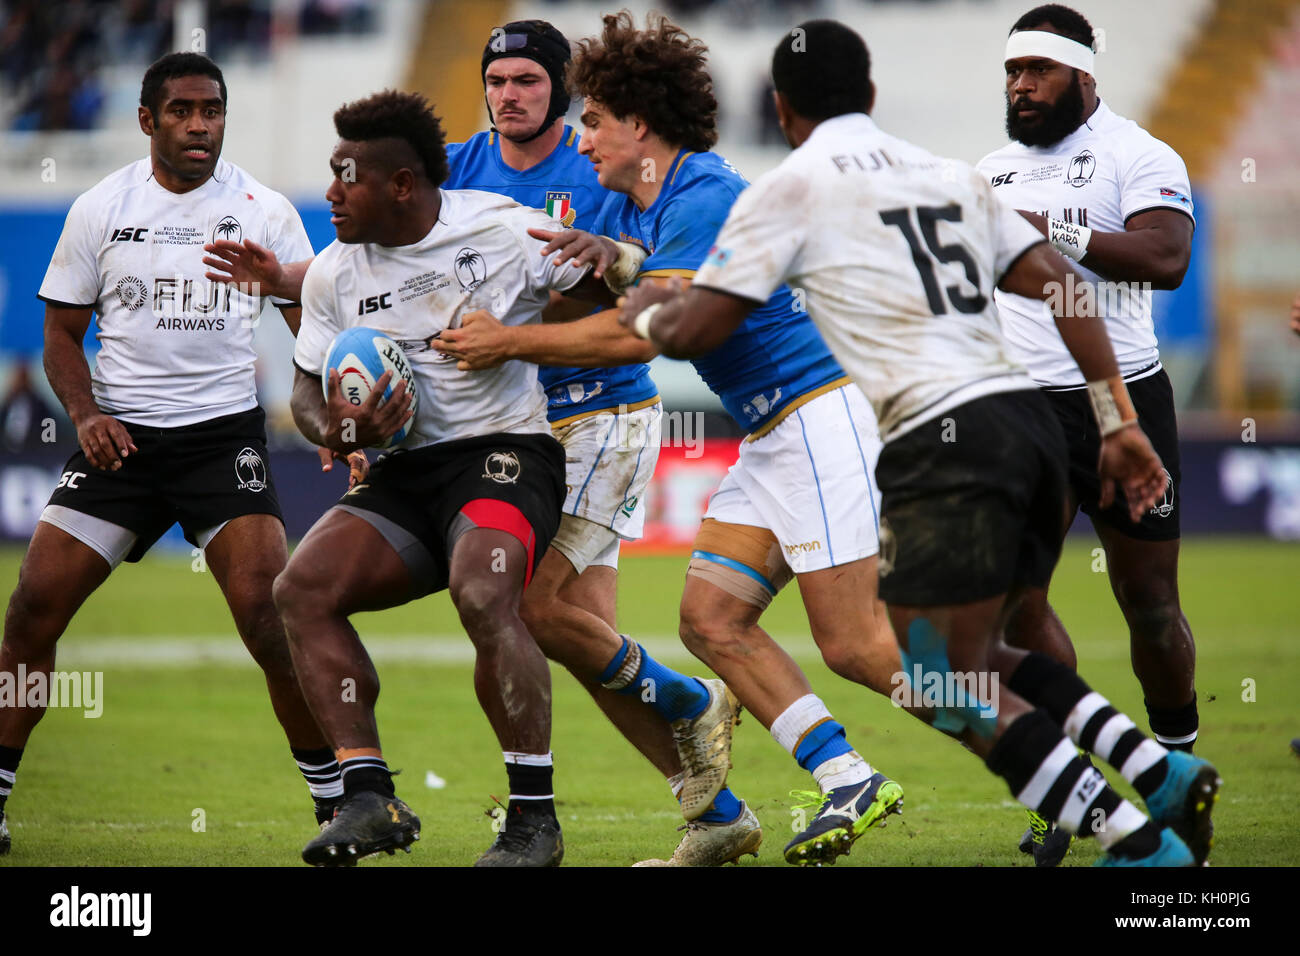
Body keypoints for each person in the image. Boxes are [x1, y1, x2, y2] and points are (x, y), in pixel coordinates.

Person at [617, 17, 1222, 866]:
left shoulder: (785, 191)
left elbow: (693, 328)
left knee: (936, 670)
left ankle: (1137, 840)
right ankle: (1152, 769)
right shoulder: (949, 174)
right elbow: (1066, 288)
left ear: (783, 110)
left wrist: (637, 301)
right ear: (869, 95)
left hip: (944, 439)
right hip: (1029, 420)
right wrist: (1117, 420)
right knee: (982, 650)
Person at [434, 11, 910, 867]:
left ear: (637, 125)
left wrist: (507, 339)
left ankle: (1044, 745)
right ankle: (841, 779)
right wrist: (613, 256)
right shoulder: (663, 195)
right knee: (709, 619)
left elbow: (638, 333)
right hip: (771, 431)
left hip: (809, 416)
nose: (583, 139)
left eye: (592, 119)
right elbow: (645, 272)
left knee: (857, 647)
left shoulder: (702, 195)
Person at [273, 89, 650, 867]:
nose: (333, 193)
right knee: (299, 590)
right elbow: (306, 394)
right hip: (408, 469)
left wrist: (615, 260)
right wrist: (349, 430)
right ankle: (369, 795)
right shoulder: (332, 273)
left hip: (505, 455)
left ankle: (533, 822)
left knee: (483, 589)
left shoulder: (499, 230)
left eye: (349, 177)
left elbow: (618, 304)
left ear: (403, 185)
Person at [0, 52, 350, 858]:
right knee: (30, 610)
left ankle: (336, 807)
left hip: (221, 441)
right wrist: (84, 414)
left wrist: (340, 418)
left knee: (270, 620)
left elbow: (312, 328)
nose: (201, 125)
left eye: (214, 110)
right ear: (148, 120)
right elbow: (60, 333)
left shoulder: (263, 211)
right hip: (118, 442)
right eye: (184, 110)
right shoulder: (100, 206)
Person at [976, 3, 1200, 865]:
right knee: (1015, 607)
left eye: (1036, 71)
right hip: (1021, 410)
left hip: (1123, 402)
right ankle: (1069, 787)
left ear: (1081, 74)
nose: (1020, 87)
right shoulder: (989, 170)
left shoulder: (1139, 155)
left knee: (1149, 605)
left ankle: (1174, 765)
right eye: (1011, 73)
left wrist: (1050, 230)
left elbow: (1165, 259)